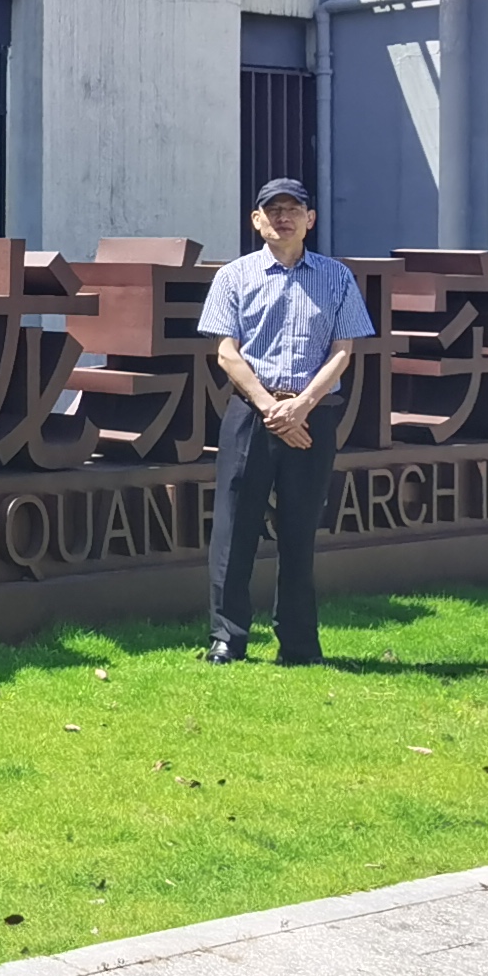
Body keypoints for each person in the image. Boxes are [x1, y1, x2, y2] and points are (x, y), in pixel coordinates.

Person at [198, 179, 374, 664]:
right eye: (272, 210)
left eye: (293, 209)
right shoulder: (233, 276)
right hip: (249, 414)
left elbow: (343, 351)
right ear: (256, 220)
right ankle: (227, 638)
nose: (283, 217)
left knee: (299, 530)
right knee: (234, 530)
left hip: (312, 416)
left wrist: (301, 407)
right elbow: (226, 352)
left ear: (309, 219)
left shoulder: (337, 278)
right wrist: (269, 406)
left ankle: (298, 644)